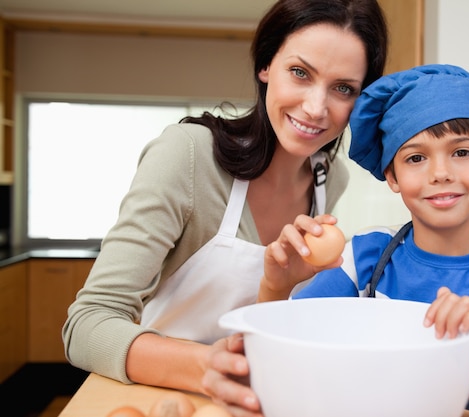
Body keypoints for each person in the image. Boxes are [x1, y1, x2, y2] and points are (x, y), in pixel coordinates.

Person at [62, 1, 388, 416]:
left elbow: (267, 327)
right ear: (266, 65)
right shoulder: (189, 155)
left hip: (252, 401)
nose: (315, 108)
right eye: (300, 73)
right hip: (157, 400)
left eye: (343, 88)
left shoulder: (329, 177)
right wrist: (209, 367)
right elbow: (86, 325)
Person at [259, 64, 469, 412]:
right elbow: (275, 353)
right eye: (416, 158)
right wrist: (275, 286)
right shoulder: (364, 257)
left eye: (461, 152)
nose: (441, 173)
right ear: (392, 175)